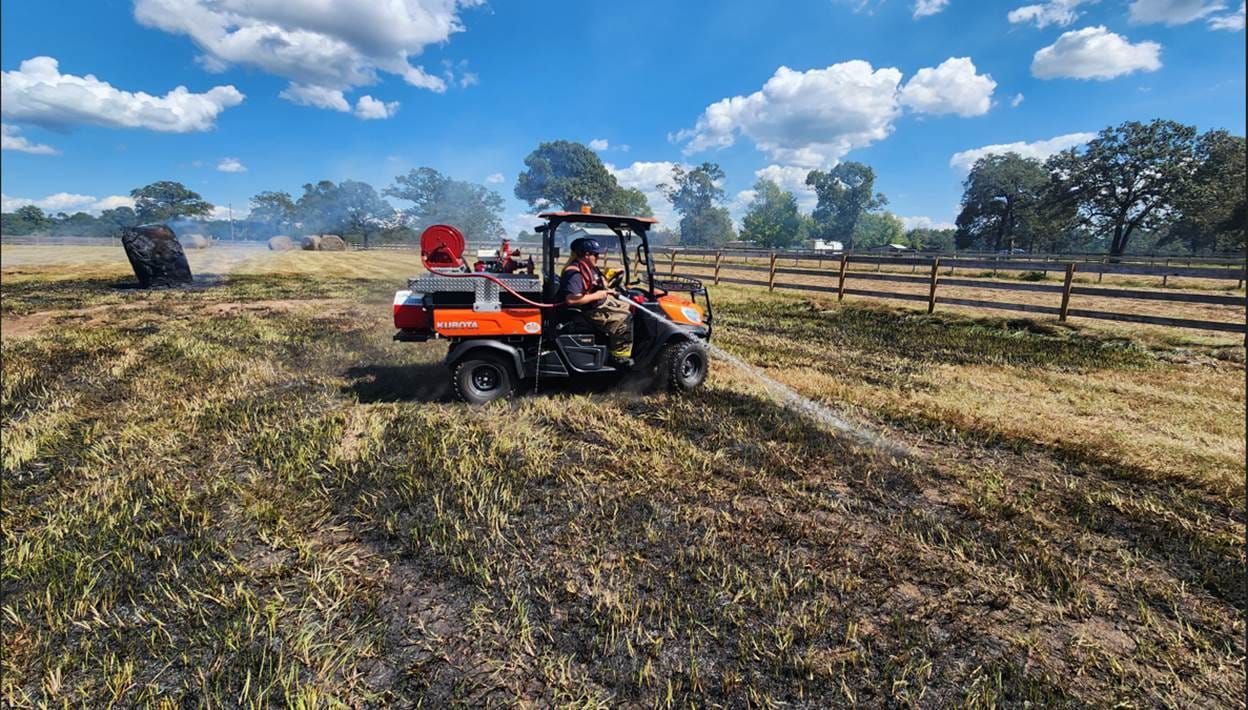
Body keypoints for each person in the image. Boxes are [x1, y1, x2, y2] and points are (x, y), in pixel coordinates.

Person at [557, 236, 634, 366]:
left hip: (599, 303)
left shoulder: (590, 267)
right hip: (590, 311)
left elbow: (596, 284)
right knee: (625, 318)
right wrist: (598, 295)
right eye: (596, 254)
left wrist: (609, 276)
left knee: (631, 306)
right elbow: (571, 300)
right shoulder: (574, 273)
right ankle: (618, 357)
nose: (599, 257)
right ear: (587, 254)